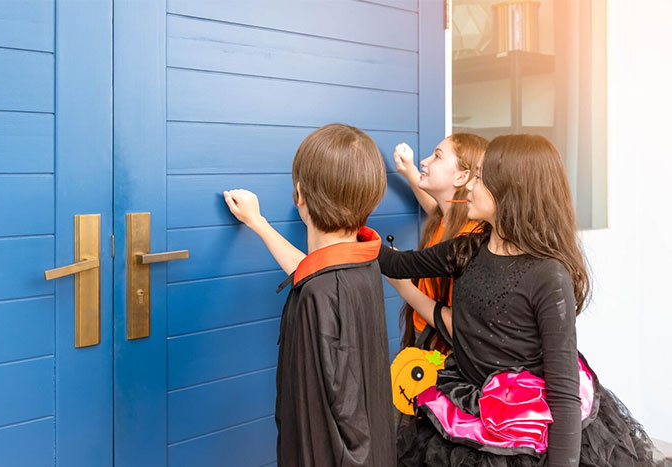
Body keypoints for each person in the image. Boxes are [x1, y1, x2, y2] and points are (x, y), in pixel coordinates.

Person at [379, 134, 664, 466]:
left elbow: (562, 389)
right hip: (469, 410)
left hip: (525, 431)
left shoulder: (547, 275)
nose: (469, 186)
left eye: (481, 178)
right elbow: (399, 265)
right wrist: (351, 230)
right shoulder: (467, 249)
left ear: (509, 191)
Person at [223, 123, 395, 466]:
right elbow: (313, 271)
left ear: (299, 194)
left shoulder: (319, 294)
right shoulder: (362, 264)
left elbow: (328, 419)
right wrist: (259, 224)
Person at [392, 134, 487, 352]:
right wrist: (409, 172)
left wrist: (402, 285)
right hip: (425, 342)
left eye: (437, 156)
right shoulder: (446, 219)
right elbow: (436, 209)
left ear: (462, 177)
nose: (425, 161)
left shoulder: (468, 242)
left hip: (444, 358)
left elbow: (458, 326)